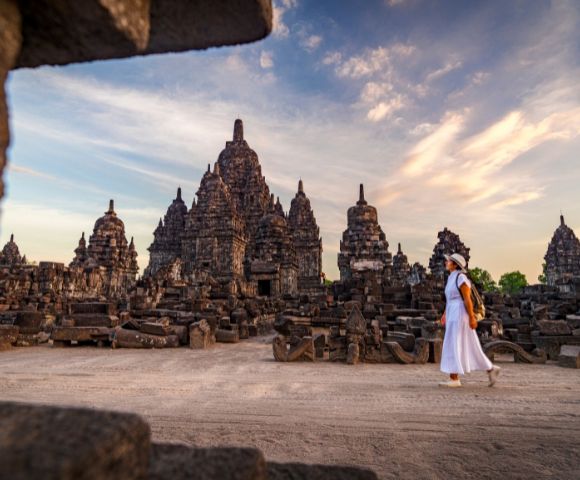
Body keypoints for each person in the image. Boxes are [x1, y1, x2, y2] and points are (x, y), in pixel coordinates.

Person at [439, 253, 501, 388]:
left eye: (449, 261)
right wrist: (445, 314)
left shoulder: (461, 278)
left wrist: (472, 317)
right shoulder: (451, 278)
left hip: (461, 314)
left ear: (455, 264)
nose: (446, 262)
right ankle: (491, 368)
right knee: (470, 345)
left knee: (454, 343)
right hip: (452, 312)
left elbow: (467, 299)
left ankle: (454, 378)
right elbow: (450, 299)